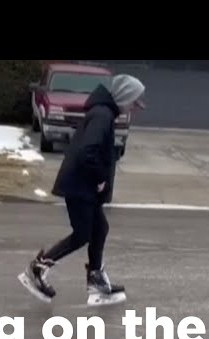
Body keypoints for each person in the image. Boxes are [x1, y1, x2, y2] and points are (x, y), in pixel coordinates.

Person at [20, 74, 146, 302]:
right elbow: (88, 150)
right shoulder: (102, 115)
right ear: (125, 97)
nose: (137, 107)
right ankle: (37, 269)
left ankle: (96, 280)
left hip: (83, 185)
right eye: (135, 101)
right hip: (80, 185)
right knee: (82, 234)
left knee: (100, 228)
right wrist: (100, 177)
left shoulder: (104, 113)